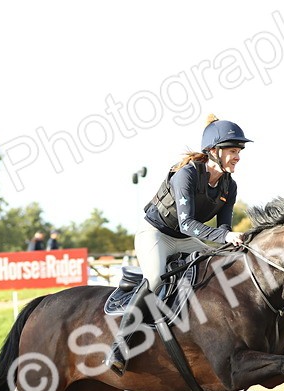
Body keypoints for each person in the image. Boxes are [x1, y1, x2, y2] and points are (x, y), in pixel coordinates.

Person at [105, 114, 251, 375]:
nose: (238, 156)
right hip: (156, 234)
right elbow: (187, 224)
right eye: (232, 151)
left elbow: (223, 227)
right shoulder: (186, 175)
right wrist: (225, 237)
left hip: (185, 241)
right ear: (214, 151)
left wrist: (231, 240)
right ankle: (119, 346)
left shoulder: (230, 185)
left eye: (239, 151)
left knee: (216, 268)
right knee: (155, 278)